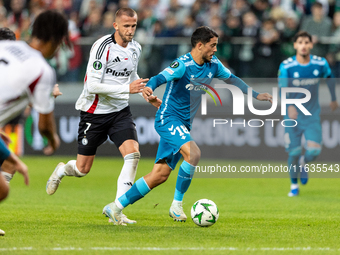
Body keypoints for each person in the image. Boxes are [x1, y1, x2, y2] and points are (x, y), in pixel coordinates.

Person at [102, 26, 273, 225]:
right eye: (212, 45)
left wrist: (256, 95)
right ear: (199, 45)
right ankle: (176, 205)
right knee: (194, 154)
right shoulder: (182, 65)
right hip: (168, 119)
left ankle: (115, 207)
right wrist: (149, 87)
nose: (215, 50)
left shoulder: (214, 65)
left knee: (160, 175)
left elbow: (233, 79)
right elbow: (160, 77)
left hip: (183, 124)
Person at [46, 7, 160, 225]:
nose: (130, 30)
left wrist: (144, 90)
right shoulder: (102, 47)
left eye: (134, 26)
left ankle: (117, 209)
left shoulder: (136, 48)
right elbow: (92, 85)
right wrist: (128, 89)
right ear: (115, 25)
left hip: (120, 111)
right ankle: (61, 170)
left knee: (133, 155)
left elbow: (131, 74)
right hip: (94, 112)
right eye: (126, 26)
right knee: (82, 169)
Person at [0, 10, 68, 235]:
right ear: (57, 41)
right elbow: (43, 125)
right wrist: (53, 139)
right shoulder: (42, 70)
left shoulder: (7, 47)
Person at [278, 31, 338, 197]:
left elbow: (330, 77)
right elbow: (282, 90)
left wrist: (333, 98)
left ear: (311, 45)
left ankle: (304, 163)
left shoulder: (320, 63)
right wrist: (289, 106)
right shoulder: (287, 66)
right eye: (300, 42)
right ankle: (293, 185)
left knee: (313, 152)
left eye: (306, 42)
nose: (303, 45)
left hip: (311, 115)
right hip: (292, 116)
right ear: (295, 45)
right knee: (294, 152)